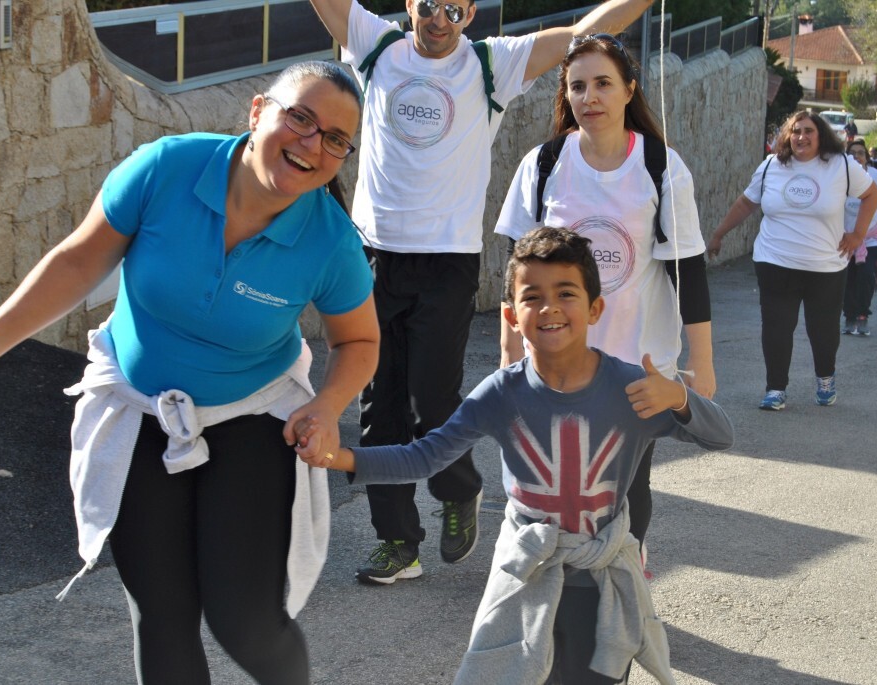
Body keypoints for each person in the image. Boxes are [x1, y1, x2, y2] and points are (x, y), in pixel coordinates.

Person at [0, 61, 380, 685]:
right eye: (300, 117)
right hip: (139, 411)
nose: (312, 143)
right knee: (161, 615)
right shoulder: (167, 168)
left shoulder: (330, 241)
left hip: (250, 416)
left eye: (335, 138)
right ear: (257, 113)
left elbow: (358, 339)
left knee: (243, 619)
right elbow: (80, 260)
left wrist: (327, 405)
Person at [306, 0, 655, 584]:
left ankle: (458, 487)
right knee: (377, 406)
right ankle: (397, 542)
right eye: (427, 5)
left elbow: (585, 31)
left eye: (454, 9)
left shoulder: (493, 66)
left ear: (470, 14)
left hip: (446, 260)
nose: (438, 20)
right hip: (369, 255)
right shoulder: (375, 43)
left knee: (432, 401)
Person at [297, 227, 734, 685]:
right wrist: (341, 458)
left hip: (599, 583)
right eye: (532, 297)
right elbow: (424, 457)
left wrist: (679, 397)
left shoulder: (632, 389)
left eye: (566, 293)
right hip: (525, 578)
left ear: (595, 308)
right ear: (511, 314)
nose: (549, 308)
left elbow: (720, 436)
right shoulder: (501, 394)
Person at [494, 33, 715, 558]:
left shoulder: (661, 166)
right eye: (577, 86)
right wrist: (508, 353)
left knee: (626, 481)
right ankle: (556, 574)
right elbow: (516, 272)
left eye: (602, 84)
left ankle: (625, 572)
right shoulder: (544, 164)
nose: (589, 97)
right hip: (553, 358)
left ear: (628, 90)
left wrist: (700, 364)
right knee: (555, 475)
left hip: (636, 360)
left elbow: (690, 270)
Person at [707, 110, 877, 410]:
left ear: (821, 135)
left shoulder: (841, 166)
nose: (801, 137)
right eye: (796, 131)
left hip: (825, 265)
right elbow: (747, 202)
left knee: (822, 329)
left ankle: (825, 377)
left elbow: (871, 195)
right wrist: (719, 233)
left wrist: (858, 234)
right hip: (775, 260)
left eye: (809, 131)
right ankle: (775, 389)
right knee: (776, 327)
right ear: (787, 135)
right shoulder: (772, 165)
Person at [842, 139, 877, 336]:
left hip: (871, 238)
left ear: (866, 157)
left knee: (866, 275)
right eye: (852, 153)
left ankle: (863, 315)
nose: (857, 156)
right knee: (847, 277)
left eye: (861, 153)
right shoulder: (841, 177)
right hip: (846, 237)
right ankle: (849, 316)